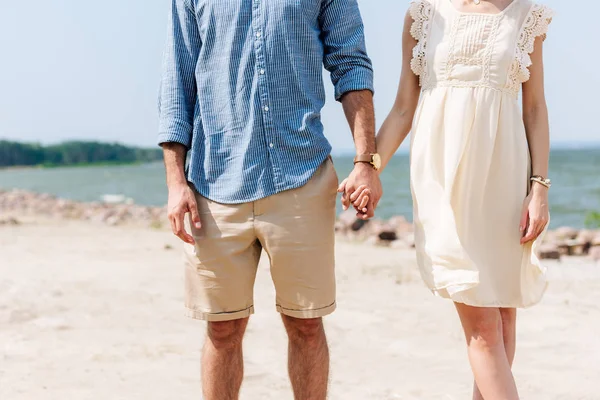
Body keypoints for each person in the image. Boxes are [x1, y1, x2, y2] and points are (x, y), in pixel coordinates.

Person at [157, 0, 382, 399]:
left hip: (302, 174)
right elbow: (178, 78)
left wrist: (366, 161)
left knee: (307, 324)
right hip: (214, 182)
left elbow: (350, 61)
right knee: (222, 328)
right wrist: (176, 181)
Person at [341, 0, 553, 398]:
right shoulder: (423, 13)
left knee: (503, 316)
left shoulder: (528, 15)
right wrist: (368, 167)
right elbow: (404, 108)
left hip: (506, 180)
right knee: (483, 328)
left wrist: (539, 187)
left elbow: (535, 108)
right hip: (443, 183)